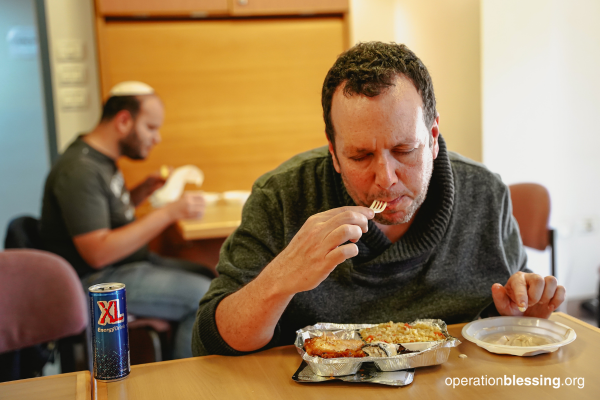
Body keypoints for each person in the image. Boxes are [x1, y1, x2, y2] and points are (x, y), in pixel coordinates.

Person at [192, 42, 565, 356]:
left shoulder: (484, 194)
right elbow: (211, 343)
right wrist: (280, 280)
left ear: (433, 137)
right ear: (334, 153)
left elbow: (508, 314)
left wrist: (520, 311)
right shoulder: (281, 196)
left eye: (404, 150)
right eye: (359, 156)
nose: (385, 179)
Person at [40, 81, 213, 359]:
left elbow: (101, 218)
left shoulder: (101, 160)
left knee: (208, 275)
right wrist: (169, 213)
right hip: (98, 282)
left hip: (123, 267)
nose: (156, 138)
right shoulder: (79, 170)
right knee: (203, 298)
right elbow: (98, 251)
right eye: (151, 127)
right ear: (123, 121)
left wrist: (139, 193)